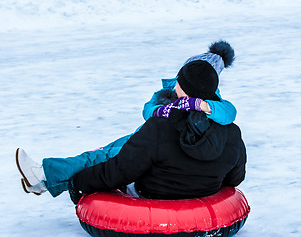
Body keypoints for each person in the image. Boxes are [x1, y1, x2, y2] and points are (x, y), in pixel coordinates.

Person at [16, 40, 246, 202]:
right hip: (184, 178)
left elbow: (121, 171)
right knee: (108, 153)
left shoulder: (163, 127)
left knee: (103, 156)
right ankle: (44, 180)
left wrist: (80, 184)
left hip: (152, 184)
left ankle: (45, 176)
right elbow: (235, 178)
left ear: (186, 87)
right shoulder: (231, 132)